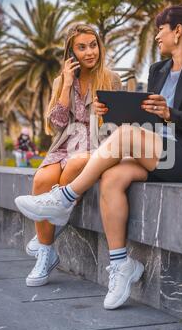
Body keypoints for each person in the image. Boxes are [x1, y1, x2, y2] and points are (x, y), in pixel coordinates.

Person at [15, 4, 182, 309]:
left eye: (161, 28)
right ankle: (121, 265)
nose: (157, 35)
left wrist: (169, 112)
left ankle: (65, 198)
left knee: (127, 139)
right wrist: (110, 115)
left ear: (178, 31)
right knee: (111, 177)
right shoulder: (158, 70)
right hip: (155, 153)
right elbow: (139, 123)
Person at [23, 23, 122, 286]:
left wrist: (106, 115)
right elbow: (55, 124)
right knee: (42, 181)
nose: (90, 52)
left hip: (97, 144)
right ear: (71, 52)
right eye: (82, 47)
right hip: (65, 144)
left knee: (78, 163)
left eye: (93, 45)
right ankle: (46, 254)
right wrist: (66, 84)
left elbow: (122, 124)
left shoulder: (110, 78)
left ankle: (47, 233)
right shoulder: (61, 81)